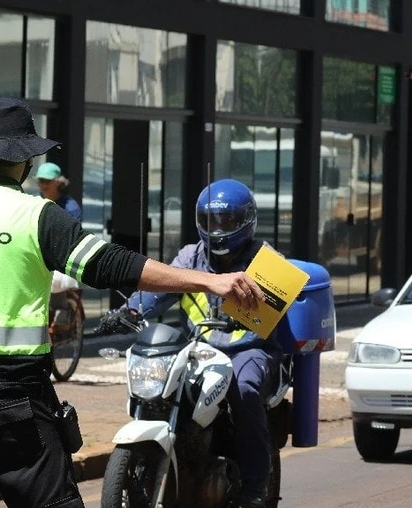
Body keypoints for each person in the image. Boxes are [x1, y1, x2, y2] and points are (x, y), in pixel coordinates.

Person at [0, 97, 263, 508]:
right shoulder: (35, 216)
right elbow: (112, 265)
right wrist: (210, 281)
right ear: (26, 161)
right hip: (18, 417)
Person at [101, 178, 279, 508]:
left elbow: (277, 306)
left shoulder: (265, 261)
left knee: (247, 389)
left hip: (248, 349)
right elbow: (162, 288)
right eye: (211, 221)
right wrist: (129, 309)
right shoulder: (190, 256)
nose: (219, 229)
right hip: (199, 350)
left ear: (246, 221)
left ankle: (255, 482)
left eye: (227, 221)